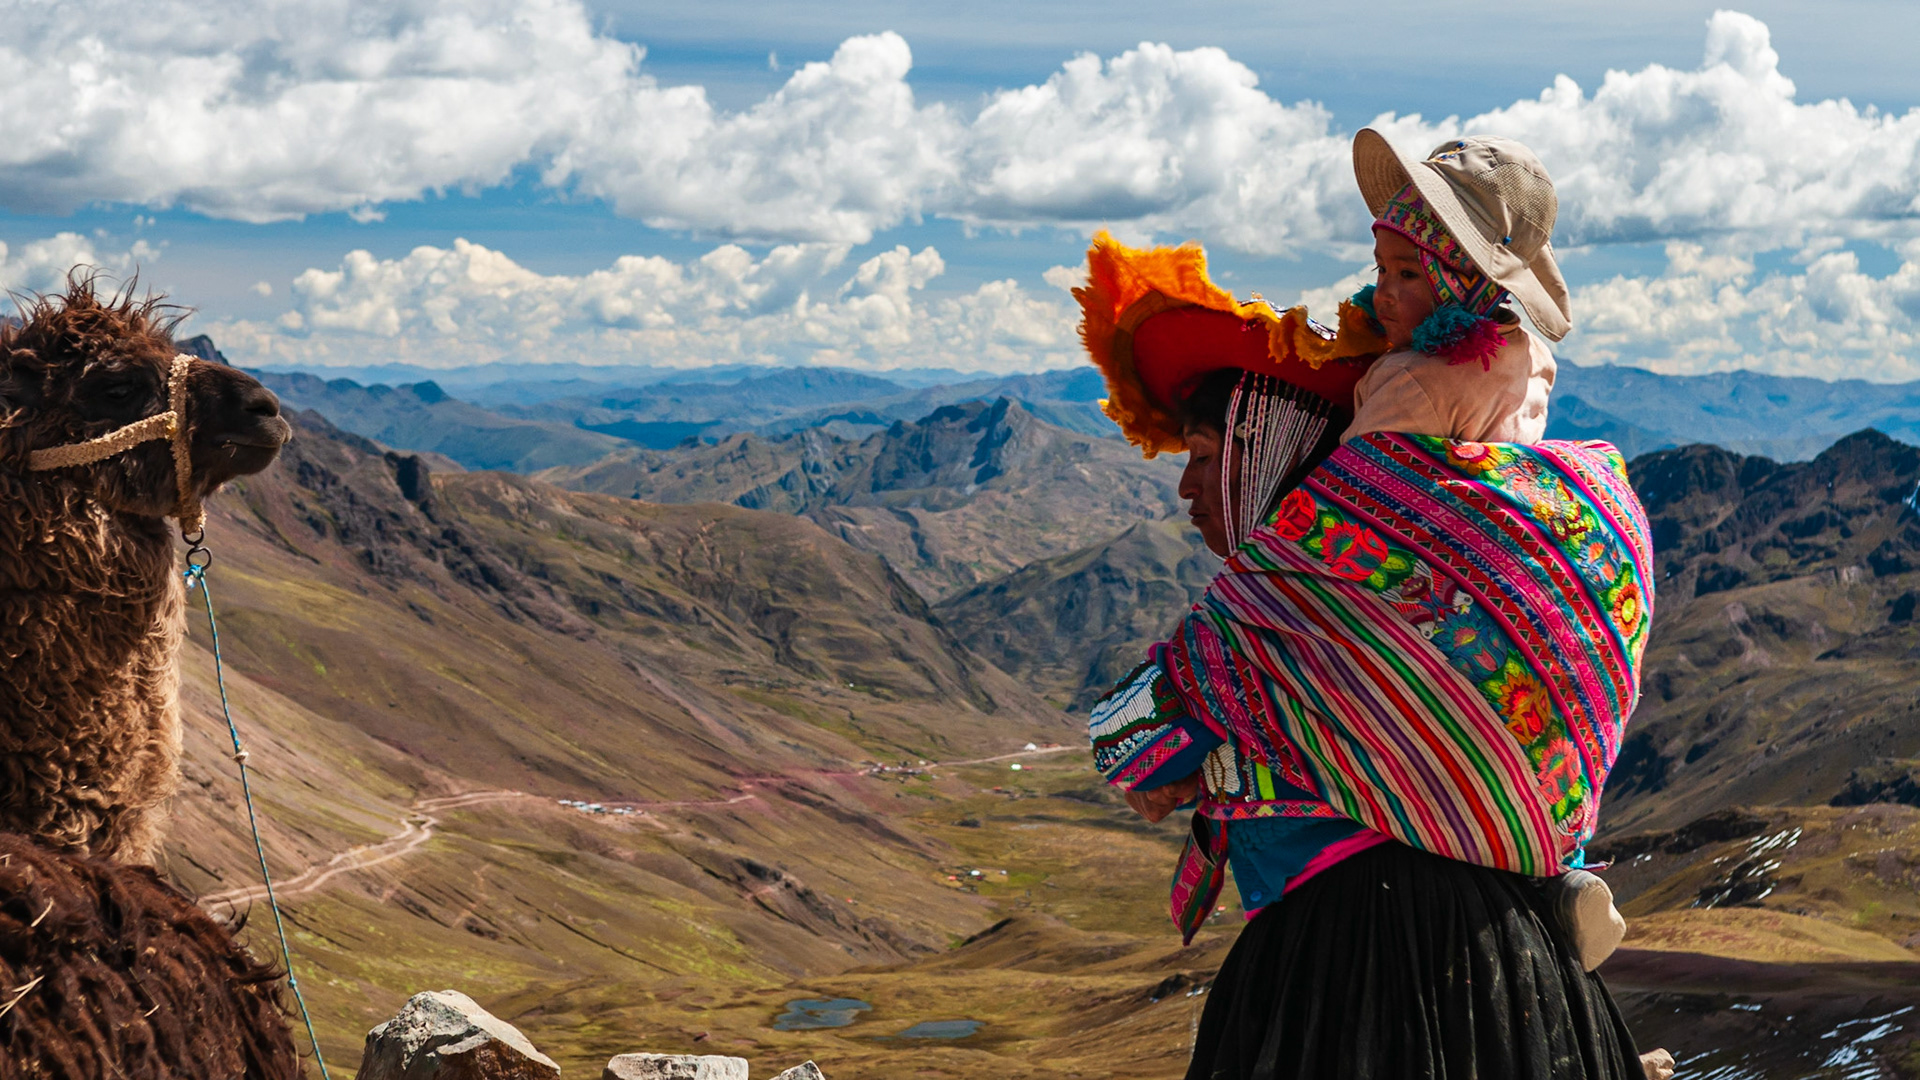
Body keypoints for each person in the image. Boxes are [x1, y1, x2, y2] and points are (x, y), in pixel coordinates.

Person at [1075, 130, 1663, 1078]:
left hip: (1346, 976)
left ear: (1267, 448)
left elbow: (1131, 740)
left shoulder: (1295, 596)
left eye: (1203, 456)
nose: (1185, 489)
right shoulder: (1545, 524)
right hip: (1530, 985)